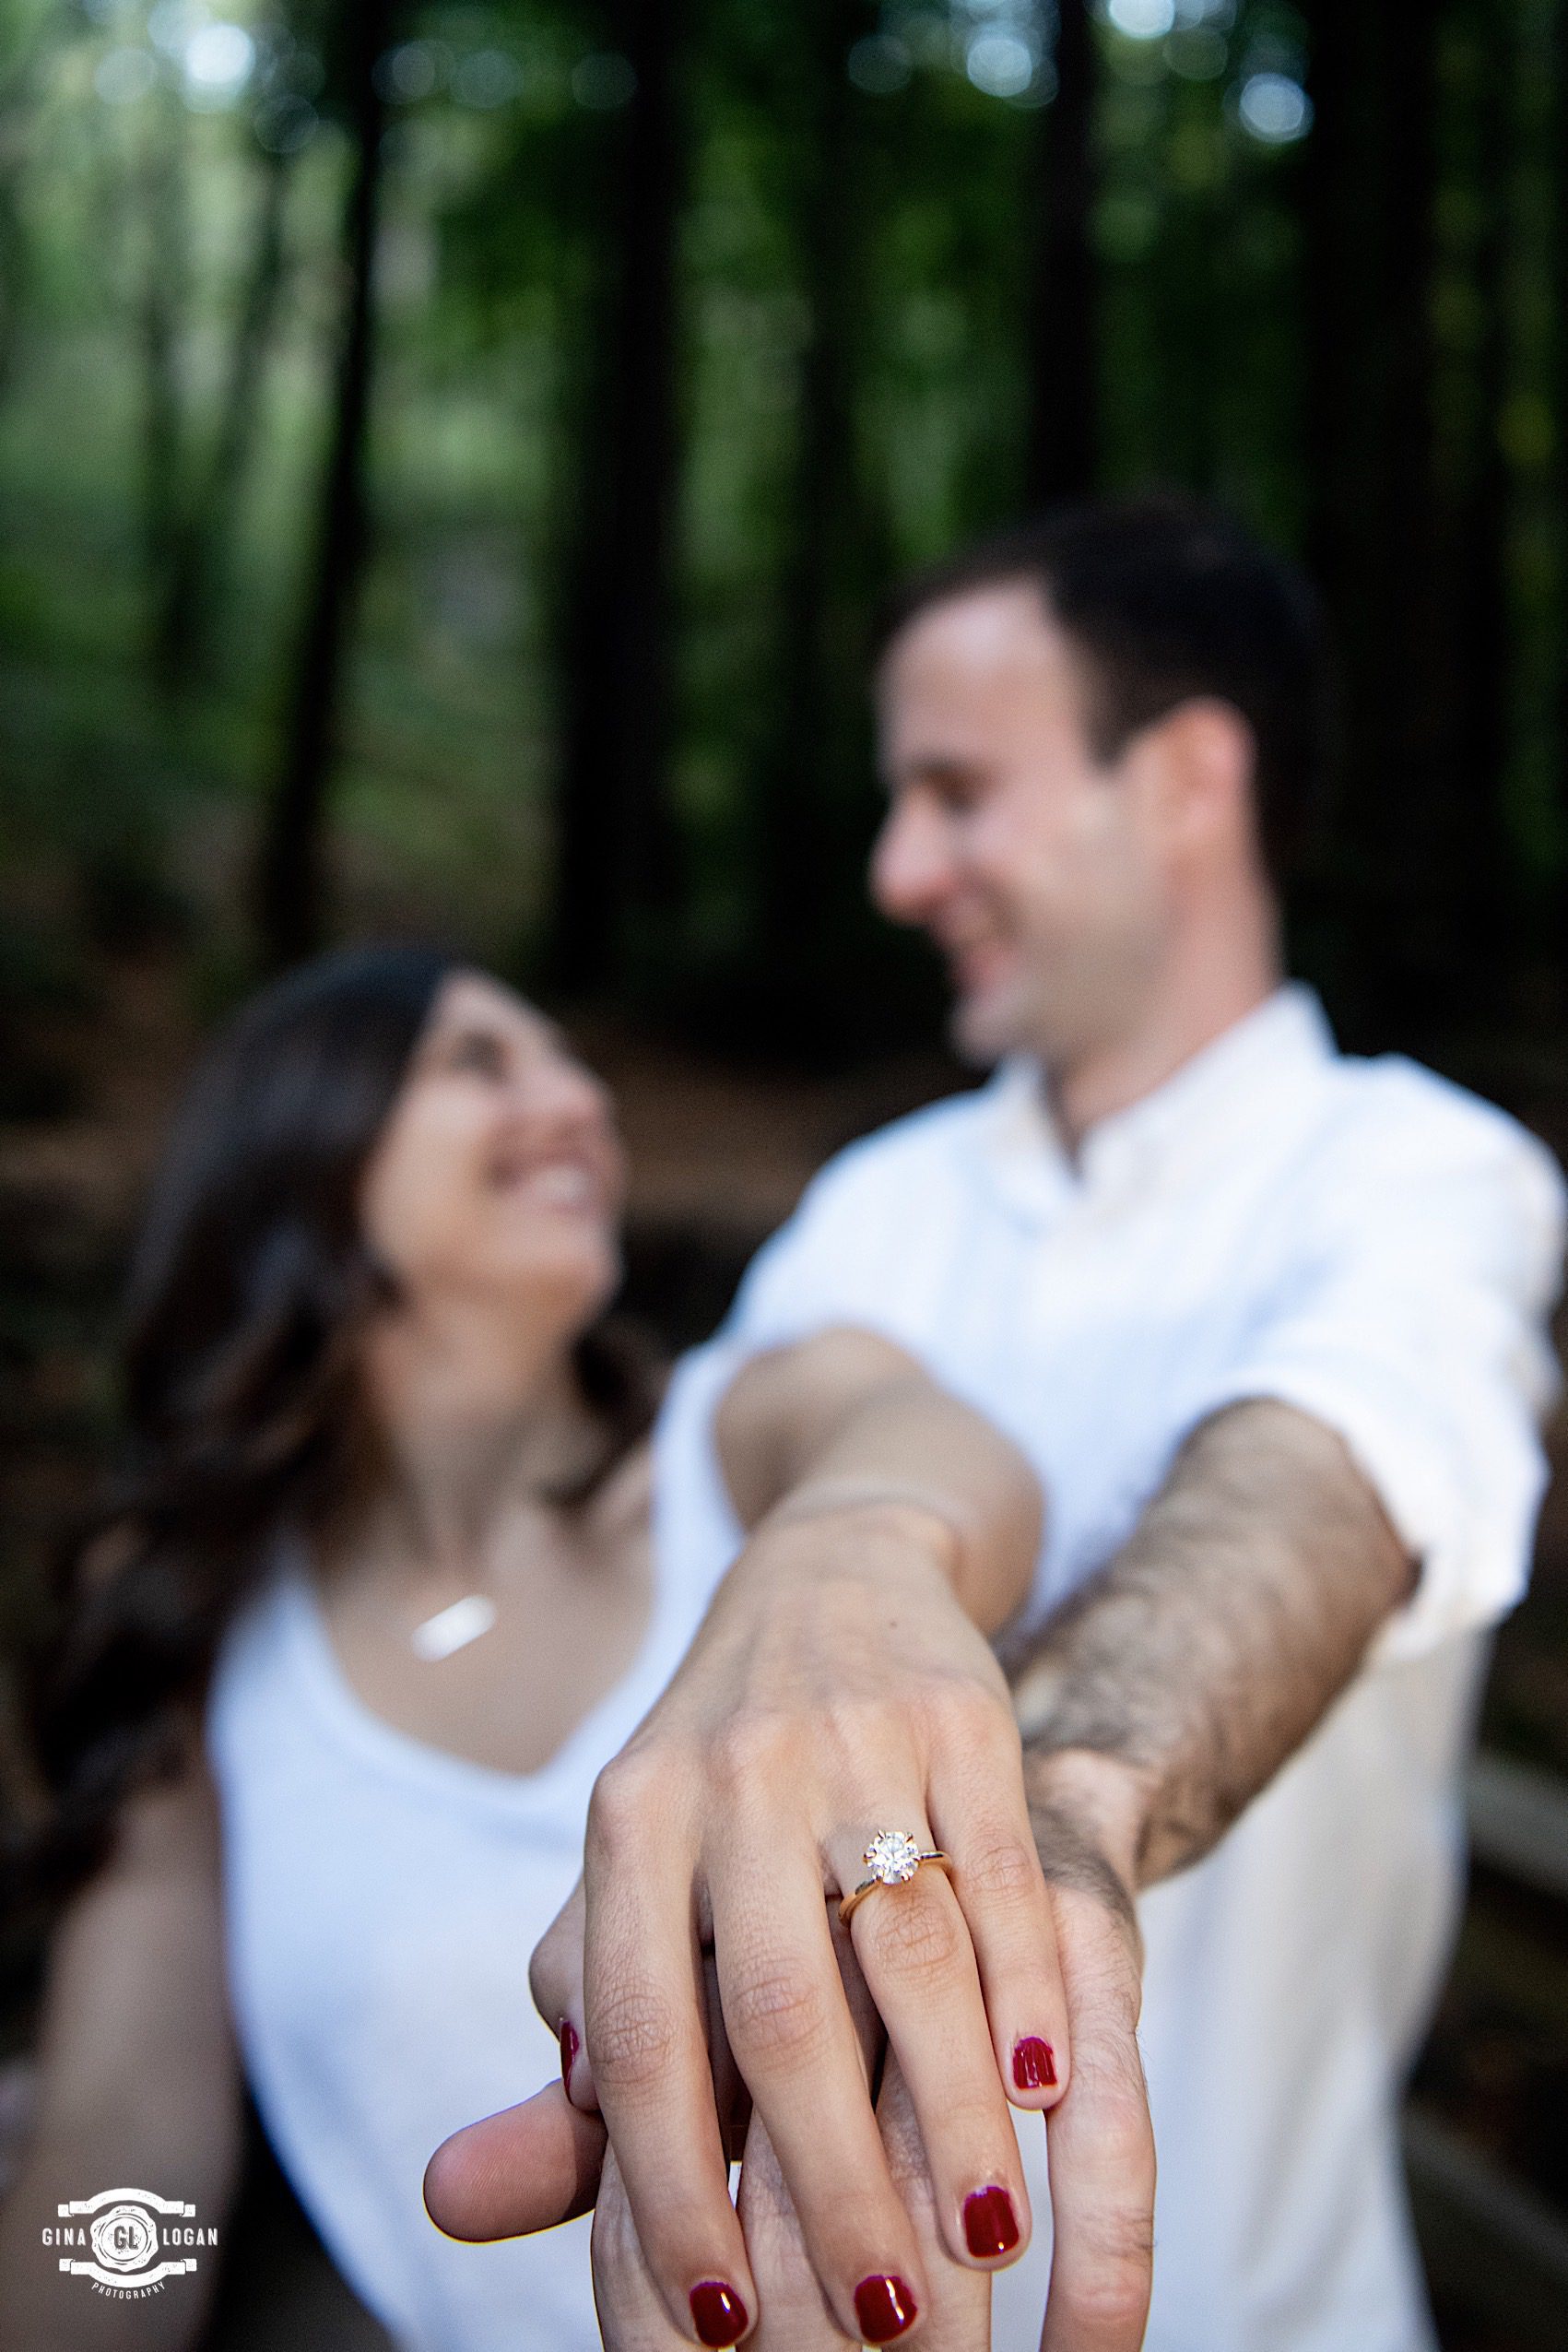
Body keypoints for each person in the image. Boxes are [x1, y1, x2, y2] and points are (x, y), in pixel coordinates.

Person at [427, 498, 1568, 2352]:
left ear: (1187, 776)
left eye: (954, 792)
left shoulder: (1420, 1172)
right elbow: (777, 1410)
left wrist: (1057, 1811)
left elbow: (1328, 1469)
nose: (896, 867)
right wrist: (840, 1530)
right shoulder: (877, 1196)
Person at [0, 943, 1062, 2352]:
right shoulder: (202, 1620)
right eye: (477, 1064)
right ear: (302, 1150)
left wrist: (851, 1549)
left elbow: (938, 1445)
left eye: (569, 1059)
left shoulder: (731, 1443)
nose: (572, 1099)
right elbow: (123, 2144)